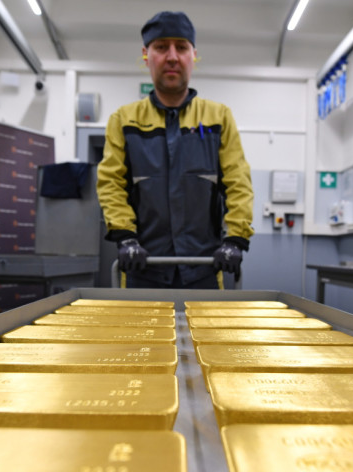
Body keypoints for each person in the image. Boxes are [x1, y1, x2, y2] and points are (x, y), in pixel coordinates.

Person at [97, 11, 254, 289]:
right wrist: (126, 237)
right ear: (146, 55)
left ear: (194, 55)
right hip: (141, 270)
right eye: (161, 47)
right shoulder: (123, 120)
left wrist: (235, 239)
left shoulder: (218, 117)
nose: (172, 57)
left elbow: (238, 181)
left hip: (203, 270)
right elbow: (111, 183)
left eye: (181, 47)